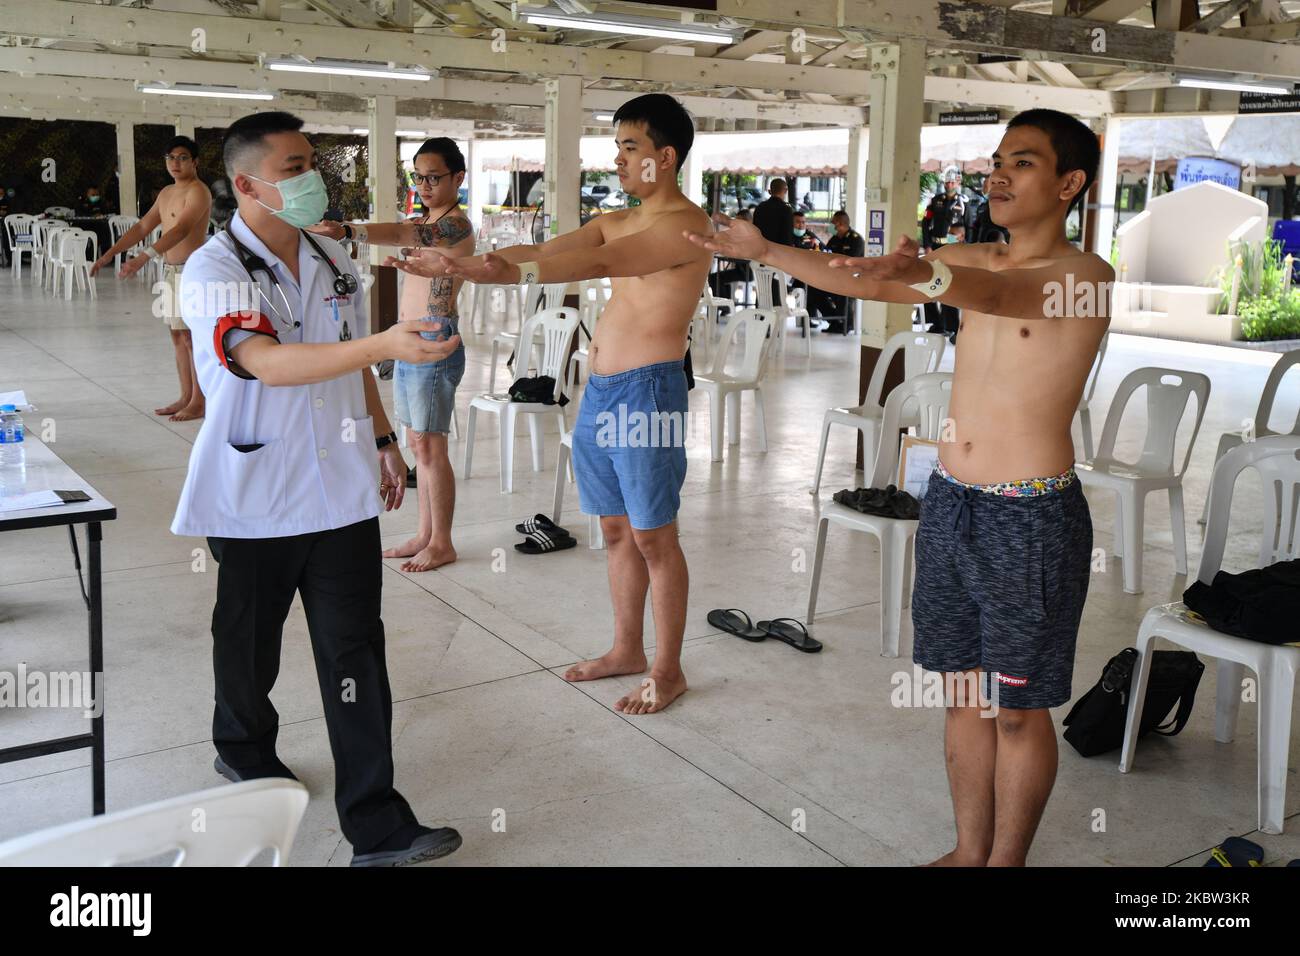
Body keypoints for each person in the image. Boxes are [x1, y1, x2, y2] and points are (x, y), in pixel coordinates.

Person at [688, 108, 1111, 866]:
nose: (999, 174)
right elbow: (859, 274)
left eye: (1022, 162)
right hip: (951, 500)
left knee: (1016, 708)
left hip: (1031, 516)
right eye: (996, 160)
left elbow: (1004, 298)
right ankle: (967, 850)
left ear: (1070, 182)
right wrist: (771, 250)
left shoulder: (1084, 279)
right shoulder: (967, 255)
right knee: (960, 693)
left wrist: (929, 273)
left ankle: (1004, 863)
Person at [171, 110, 464, 866]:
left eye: (312, 164)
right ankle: (242, 746)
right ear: (246, 184)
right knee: (248, 641)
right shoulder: (215, 269)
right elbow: (263, 360)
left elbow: (349, 358)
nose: (312, 180)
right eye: (295, 166)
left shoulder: (331, 255)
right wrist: (383, 344)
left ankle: (378, 821)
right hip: (256, 483)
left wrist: (382, 437)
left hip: (337, 489)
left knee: (356, 654)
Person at [389, 93, 713, 716]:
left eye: (630, 147)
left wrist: (492, 275)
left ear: (665, 157)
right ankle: (626, 649)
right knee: (615, 529)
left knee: (654, 536)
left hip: (650, 392)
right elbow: (553, 248)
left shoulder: (681, 227)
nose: (617, 159)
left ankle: (668, 669)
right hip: (602, 392)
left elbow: (593, 262)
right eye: (616, 145)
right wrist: (463, 262)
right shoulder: (621, 217)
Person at [310, 137, 474, 572]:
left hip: (435, 339)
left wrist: (351, 231)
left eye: (434, 177)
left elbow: (406, 232)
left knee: (429, 445)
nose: (424, 185)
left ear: (458, 177)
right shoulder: (429, 218)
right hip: (411, 338)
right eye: (418, 177)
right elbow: (409, 228)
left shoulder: (456, 225)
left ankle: (442, 542)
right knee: (418, 443)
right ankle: (425, 534)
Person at [92, 136, 212, 421]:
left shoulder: (198, 191)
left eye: (183, 157)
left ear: (195, 162)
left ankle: (200, 400)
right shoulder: (167, 192)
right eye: (170, 157)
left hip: (192, 271)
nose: (175, 163)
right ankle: (185, 395)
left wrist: (143, 258)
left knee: (192, 338)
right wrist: (110, 254)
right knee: (177, 336)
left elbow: (181, 230)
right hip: (171, 272)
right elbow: (144, 226)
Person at [802, 210, 863, 333]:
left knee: (842, 291)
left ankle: (846, 324)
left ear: (840, 224)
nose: (830, 226)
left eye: (833, 223)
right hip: (833, 277)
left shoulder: (855, 240)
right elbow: (827, 255)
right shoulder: (834, 239)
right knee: (813, 291)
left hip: (852, 278)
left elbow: (851, 263)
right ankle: (835, 321)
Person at [923, 166, 966, 250]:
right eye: (947, 182)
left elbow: (969, 227)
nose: (949, 185)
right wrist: (927, 245)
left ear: (958, 183)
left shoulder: (963, 203)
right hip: (935, 245)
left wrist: (967, 248)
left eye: (952, 182)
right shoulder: (935, 200)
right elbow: (925, 222)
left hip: (954, 247)